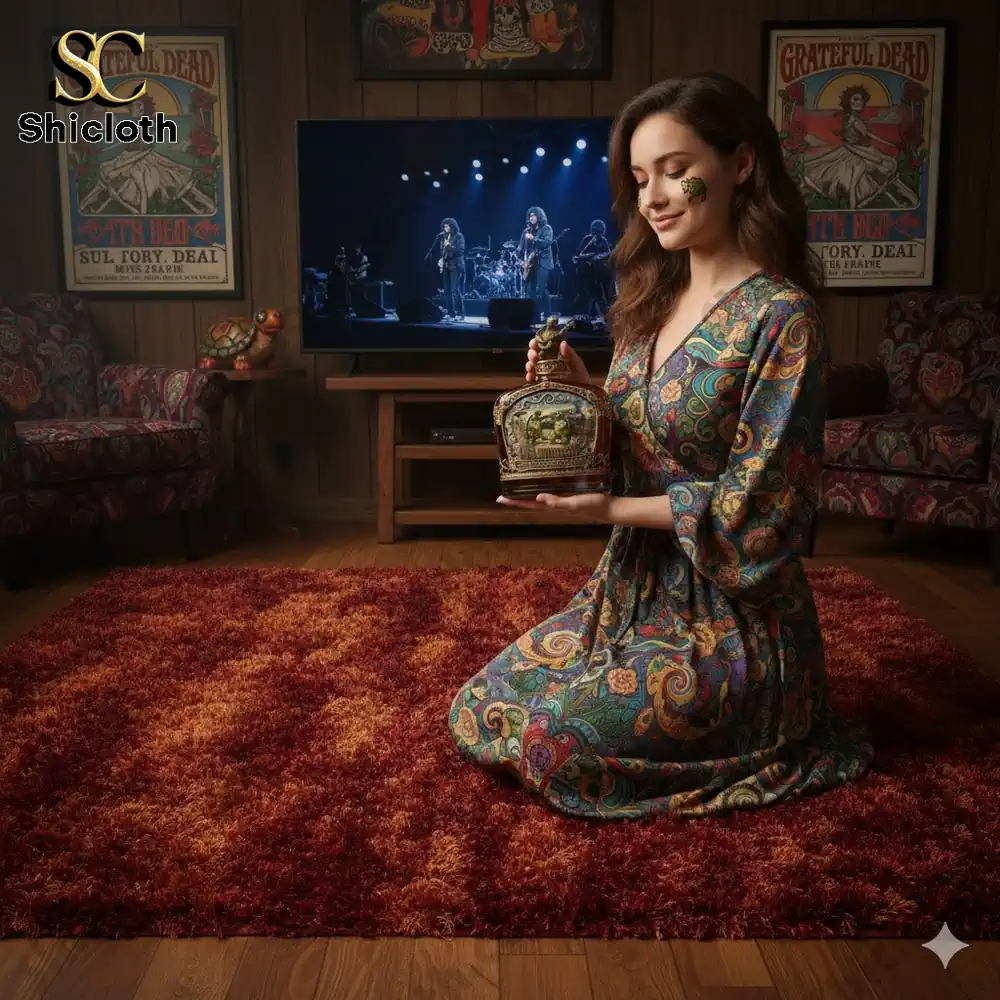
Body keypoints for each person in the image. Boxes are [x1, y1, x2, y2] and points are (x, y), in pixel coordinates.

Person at [447, 72, 874, 819]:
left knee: (553, 744)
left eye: (677, 171)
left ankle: (782, 726)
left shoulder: (783, 320)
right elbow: (642, 443)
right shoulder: (650, 304)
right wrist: (582, 394)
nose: (654, 197)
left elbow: (763, 515)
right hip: (631, 590)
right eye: (642, 179)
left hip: (736, 619)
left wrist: (604, 508)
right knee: (480, 707)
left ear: (741, 164)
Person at [518, 206, 554, 322]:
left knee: (541, 289)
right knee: (531, 289)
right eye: (530, 216)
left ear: (539, 216)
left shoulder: (546, 228)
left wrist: (533, 239)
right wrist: (521, 259)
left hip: (543, 261)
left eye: (534, 216)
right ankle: (536, 315)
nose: (531, 218)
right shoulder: (526, 231)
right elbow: (520, 247)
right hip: (531, 262)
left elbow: (547, 243)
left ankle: (547, 314)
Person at [572, 219, 612, 318]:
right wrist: (587, 256)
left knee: (596, 294)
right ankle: (603, 315)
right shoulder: (587, 239)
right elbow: (579, 253)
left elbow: (608, 252)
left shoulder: (603, 241)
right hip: (587, 271)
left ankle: (594, 315)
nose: (597, 233)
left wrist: (599, 256)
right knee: (595, 293)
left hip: (598, 271)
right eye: (595, 231)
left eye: (599, 231)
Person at [438, 217, 466, 320]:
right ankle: (450, 312)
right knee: (447, 290)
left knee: (455, 290)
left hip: (456, 265)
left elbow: (460, 251)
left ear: (452, 226)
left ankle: (460, 313)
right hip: (446, 265)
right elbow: (442, 251)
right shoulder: (444, 237)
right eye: (444, 226)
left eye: (447, 226)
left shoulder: (459, 236)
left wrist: (450, 246)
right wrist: (441, 259)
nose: (445, 228)